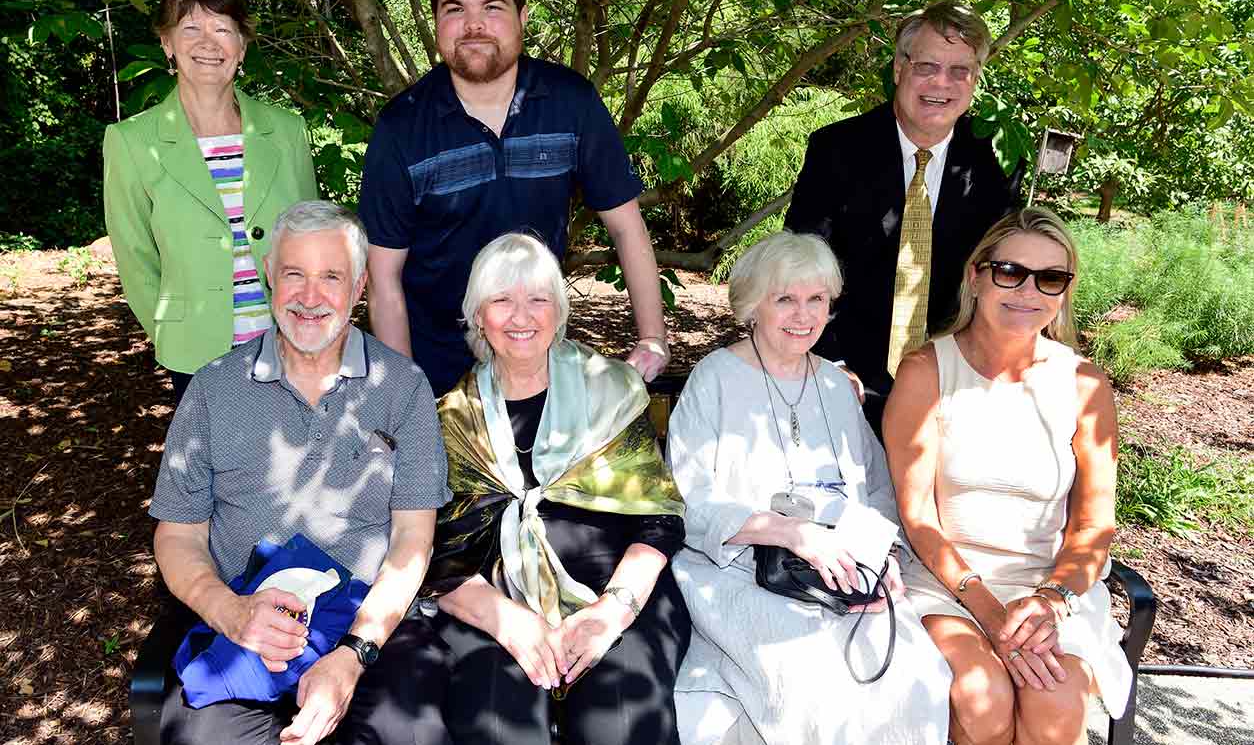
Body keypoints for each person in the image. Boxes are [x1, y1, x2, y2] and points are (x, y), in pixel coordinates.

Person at [149, 201, 452, 745]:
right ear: (270, 275)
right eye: (294, 274)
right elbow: (177, 533)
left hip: (370, 621)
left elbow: (413, 541)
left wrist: (352, 656)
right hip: (242, 618)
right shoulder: (214, 390)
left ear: (359, 286)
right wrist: (231, 612)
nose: (310, 298)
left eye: (330, 277)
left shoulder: (402, 388)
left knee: (410, 734)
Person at [666, 230, 952, 745]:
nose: (804, 315)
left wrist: (881, 557)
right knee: (811, 679)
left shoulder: (835, 385)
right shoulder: (715, 380)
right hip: (743, 572)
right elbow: (691, 499)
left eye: (816, 299)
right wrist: (789, 533)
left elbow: (878, 489)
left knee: (920, 677)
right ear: (753, 305)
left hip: (843, 570)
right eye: (785, 299)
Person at [359, 0, 669, 397]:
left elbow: (626, 225)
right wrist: (405, 395)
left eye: (492, 7)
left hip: (541, 361)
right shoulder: (401, 128)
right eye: (454, 9)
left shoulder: (571, 103)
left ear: (522, 18)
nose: (474, 25)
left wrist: (653, 339)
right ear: (437, 23)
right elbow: (383, 276)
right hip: (438, 377)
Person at [423, 232, 690, 744]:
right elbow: (441, 556)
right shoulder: (453, 418)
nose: (522, 317)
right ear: (478, 315)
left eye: (537, 299)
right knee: (498, 725)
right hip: (496, 603)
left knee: (618, 722)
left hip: (617, 590)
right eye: (502, 300)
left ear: (558, 309)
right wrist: (512, 624)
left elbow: (658, 521)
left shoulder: (608, 388)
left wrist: (608, 614)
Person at [884, 208, 1133, 745]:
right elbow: (919, 518)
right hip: (950, 584)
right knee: (983, 698)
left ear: (1065, 290)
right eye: (1009, 271)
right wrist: (992, 615)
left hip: (1054, 588)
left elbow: (1094, 525)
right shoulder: (926, 372)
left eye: (1050, 278)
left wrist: (1049, 600)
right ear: (976, 275)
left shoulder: (1085, 385)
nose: (1028, 291)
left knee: (1056, 699)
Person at [784, 0, 1021, 436]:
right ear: (898, 68)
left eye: (959, 71)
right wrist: (829, 363)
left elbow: (1004, 281)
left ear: (976, 79)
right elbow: (799, 267)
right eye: (927, 66)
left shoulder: (996, 166)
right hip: (843, 377)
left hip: (955, 385)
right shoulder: (836, 151)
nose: (941, 84)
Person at [104, 0, 318, 407]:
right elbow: (135, 258)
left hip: (292, 344)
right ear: (167, 43)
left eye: (223, 29)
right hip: (196, 353)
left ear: (241, 47)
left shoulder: (287, 130)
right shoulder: (130, 141)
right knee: (215, 471)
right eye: (190, 29)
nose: (208, 42)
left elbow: (313, 238)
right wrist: (171, 329)